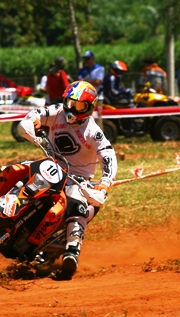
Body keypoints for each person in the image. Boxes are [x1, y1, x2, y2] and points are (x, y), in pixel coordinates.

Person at [18, 80, 117, 279]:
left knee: (75, 201)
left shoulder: (93, 131)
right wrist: (31, 123)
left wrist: (105, 184)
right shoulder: (57, 112)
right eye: (69, 102)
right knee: (21, 177)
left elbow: (109, 157)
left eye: (78, 105)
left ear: (89, 108)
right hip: (52, 169)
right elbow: (35, 115)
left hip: (78, 180)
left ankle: (71, 253)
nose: (71, 108)